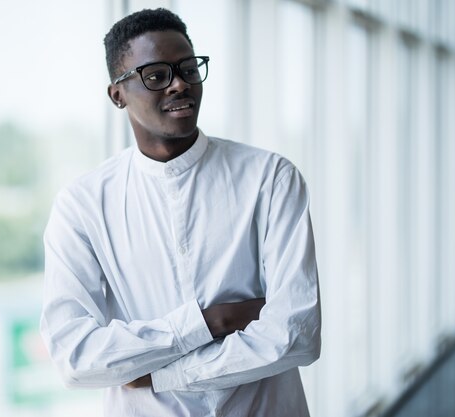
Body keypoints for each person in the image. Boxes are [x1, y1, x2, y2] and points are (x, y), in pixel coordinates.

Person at [40, 8, 321, 417]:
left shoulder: (271, 178)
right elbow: (75, 357)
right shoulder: (81, 205)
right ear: (117, 94)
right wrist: (211, 322)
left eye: (188, 68)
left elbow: (297, 335)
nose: (179, 84)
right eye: (156, 75)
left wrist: (160, 374)